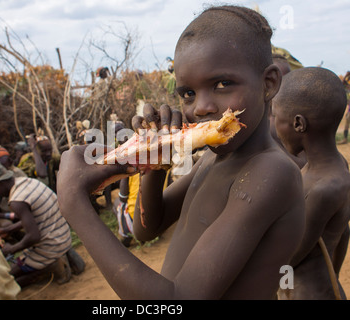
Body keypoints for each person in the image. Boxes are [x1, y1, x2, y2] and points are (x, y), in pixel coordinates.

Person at [56, 5, 305, 299]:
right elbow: (147, 228)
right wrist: (155, 161)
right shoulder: (215, 156)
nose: (200, 107)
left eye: (222, 84)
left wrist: (73, 204)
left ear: (269, 83)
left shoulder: (270, 172)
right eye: (188, 93)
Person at [273, 67, 350, 300]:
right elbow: (343, 234)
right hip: (319, 288)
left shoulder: (323, 189)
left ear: (298, 124)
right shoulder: (333, 168)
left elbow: (288, 259)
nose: (274, 125)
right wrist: (332, 276)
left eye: (276, 117)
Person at [0, 160, 84, 287]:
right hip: (63, 235)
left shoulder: (17, 201)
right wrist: (10, 229)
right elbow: (39, 217)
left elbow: (33, 237)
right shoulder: (28, 182)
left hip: (52, 246)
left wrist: (11, 249)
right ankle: (62, 258)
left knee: (6, 279)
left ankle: (49, 268)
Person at [269, 54, 307, 168]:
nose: (286, 86)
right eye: (275, 80)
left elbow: (306, 164)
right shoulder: (255, 122)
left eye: (287, 79)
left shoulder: (295, 119)